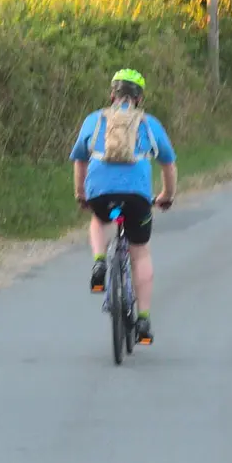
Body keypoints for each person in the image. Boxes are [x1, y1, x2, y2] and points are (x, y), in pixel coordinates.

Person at [70, 68, 177, 343]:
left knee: (99, 220)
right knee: (139, 251)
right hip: (137, 197)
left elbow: (80, 160)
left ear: (112, 94)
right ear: (140, 98)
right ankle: (143, 321)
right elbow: (168, 163)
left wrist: (81, 194)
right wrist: (166, 194)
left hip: (102, 194)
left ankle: (98, 263)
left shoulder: (94, 121)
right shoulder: (149, 124)